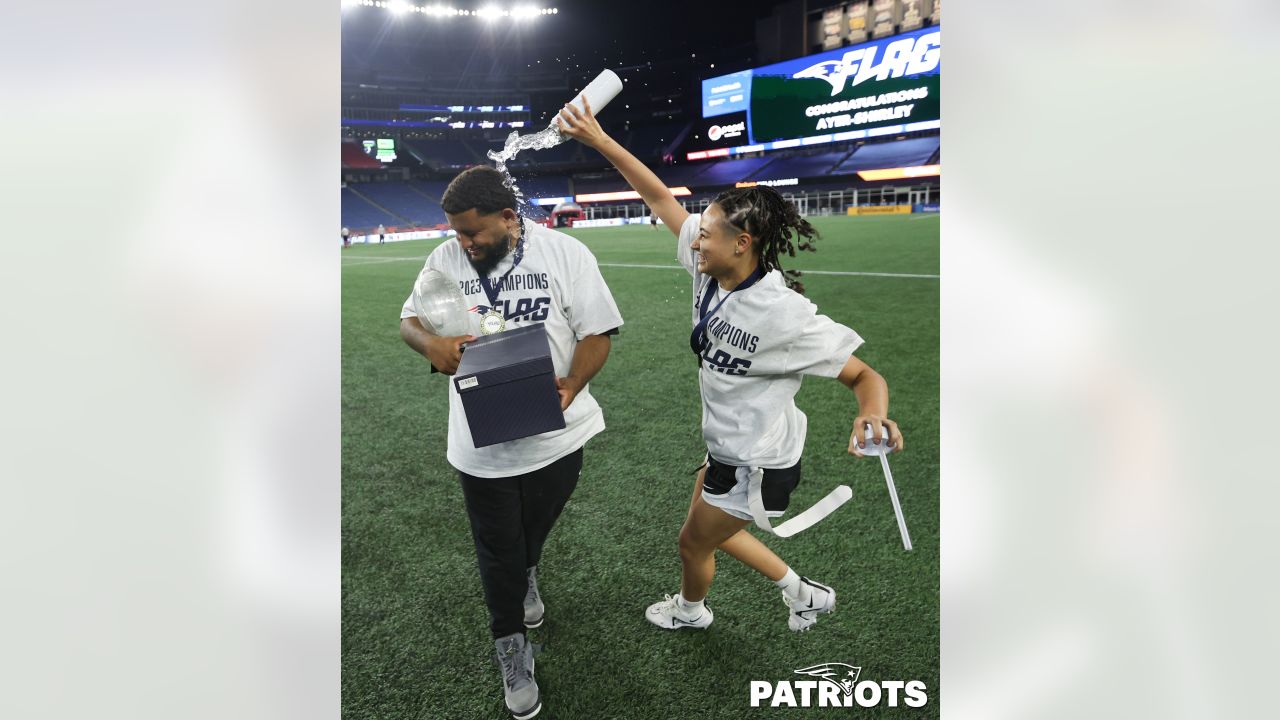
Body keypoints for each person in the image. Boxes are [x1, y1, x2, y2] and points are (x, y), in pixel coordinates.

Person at [557, 99, 903, 633]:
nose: (695, 238)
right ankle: (802, 592)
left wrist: (871, 414)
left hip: (758, 461)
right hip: (731, 447)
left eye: (707, 233)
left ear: (742, 244)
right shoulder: (709, 273)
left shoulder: (781, 313)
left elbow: (864, 376)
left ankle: (690, 612)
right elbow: (657, 196)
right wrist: (599, 140)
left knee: (693, 541)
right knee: (717, 529)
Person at [399, 165, 623, 719]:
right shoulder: (445, 260)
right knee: (497, 548)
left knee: (532, 530)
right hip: (480, 439)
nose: (463, 244)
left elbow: (598, 332)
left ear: (508, 218)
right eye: (455, 232)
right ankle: (511, 645)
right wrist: (430, 345)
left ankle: (528, 569)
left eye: (472, 233)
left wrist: (573, 382)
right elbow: (409, 320)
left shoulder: (565, 254)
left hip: (557, 431)